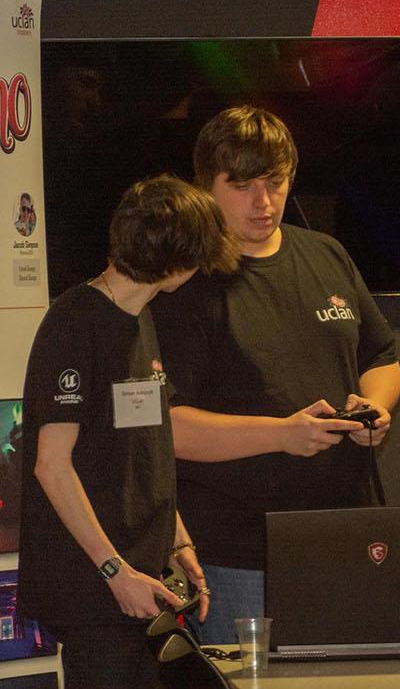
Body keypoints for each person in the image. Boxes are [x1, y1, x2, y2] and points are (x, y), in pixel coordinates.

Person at [151, 106, 400, 644]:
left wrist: (375, 406)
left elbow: (381, 358)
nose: (263, 202)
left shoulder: (326, 254)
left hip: (346, 531)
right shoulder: (183, 283)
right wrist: (282, 434)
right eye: (242, 186)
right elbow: (166, 427)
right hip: (238, 552)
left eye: (275, 182)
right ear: (206, 186)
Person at [17, 175, 239, 689]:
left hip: (144, 581)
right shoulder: (75, 323)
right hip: (97, 590)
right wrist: (114, 571)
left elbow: (143, 449)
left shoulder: (140, 318)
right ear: (177, 260)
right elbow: (51, 465)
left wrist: (177, 541)